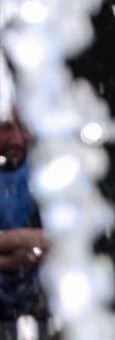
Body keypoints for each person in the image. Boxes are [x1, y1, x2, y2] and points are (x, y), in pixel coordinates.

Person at [0, 112, 47, 321]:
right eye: (6, 127)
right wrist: (14, 259)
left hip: (32, 312)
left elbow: (65, 242)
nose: (17, 139)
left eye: (25, 127)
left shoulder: (43, 168)